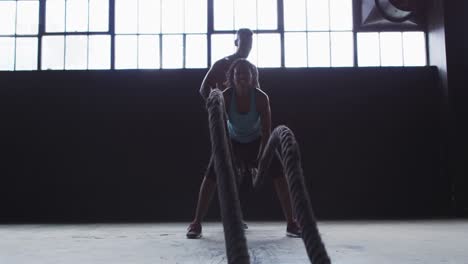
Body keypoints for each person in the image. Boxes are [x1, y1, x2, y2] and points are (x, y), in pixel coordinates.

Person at [187, 56, 302, 239]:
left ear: (252, 76)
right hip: (231, 141)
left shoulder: (262, 98)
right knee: (211, 174)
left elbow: (266, 132)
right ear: (232, 77)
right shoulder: (224, 97)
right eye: (237, 73)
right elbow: (221, 132)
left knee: (279, 174)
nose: (241, 76)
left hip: (257, 141)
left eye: (245, 73)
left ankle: (292, 223)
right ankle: (196, 223)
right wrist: (231, 157)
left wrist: (261, 159)